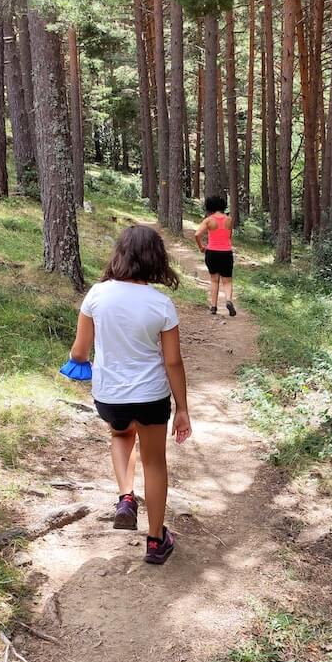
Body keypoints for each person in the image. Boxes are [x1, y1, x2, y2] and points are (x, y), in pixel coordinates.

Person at [67, 225, 192, 565]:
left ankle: (125, 497)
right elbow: (173, 361)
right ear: (156, 259)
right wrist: (182, 408)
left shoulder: (96, 295)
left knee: (121, 435)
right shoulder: (161, 304)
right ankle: (155, 541)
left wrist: (78, 362)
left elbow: (80, 351)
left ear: (120, 254)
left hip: (110, 395)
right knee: (154, 461)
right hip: (151, 396)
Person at [194, 196, 237, 317]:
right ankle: (228, 300)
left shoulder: (209, 220)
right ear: (223, 206)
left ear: (209, 206)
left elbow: (197, 234)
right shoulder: (229, 219)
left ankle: (213, 306)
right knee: (227, 281)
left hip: (212, 252)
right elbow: (229, 236)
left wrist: (201, 247)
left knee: (214, 280)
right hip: (226, 252)